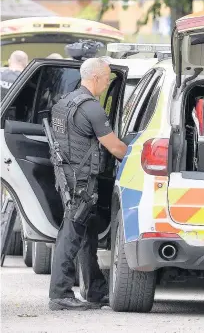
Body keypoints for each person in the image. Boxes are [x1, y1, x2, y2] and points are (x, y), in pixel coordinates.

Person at [48, 57, 128, 311]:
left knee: (86, 234)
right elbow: (115, 147)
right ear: (95, 77)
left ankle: (95, 289)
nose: (106, 84)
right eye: (106, 79)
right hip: (81, 182)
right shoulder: (91, 108)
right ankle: (59, 293)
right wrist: (140, 155)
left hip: (68, 177)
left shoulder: (63, 103)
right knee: (71, 235)